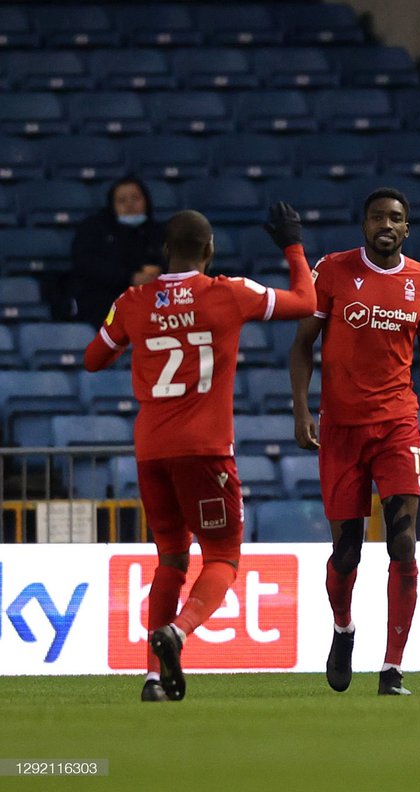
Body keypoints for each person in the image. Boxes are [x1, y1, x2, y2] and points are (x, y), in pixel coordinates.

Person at [83, 204, 316, 702]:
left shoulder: (132, 300)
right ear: (209, 251)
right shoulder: (229, 293)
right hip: (206, 453)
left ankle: (151, 678)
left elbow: (92, 359)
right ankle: (181, 631)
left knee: (169, 558)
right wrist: (292, 245)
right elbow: (304, 300)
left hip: (151, 454)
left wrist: (136, 321)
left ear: (165, 251)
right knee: (223, 556)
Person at [290, 188, 420, 697]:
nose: (387, 223)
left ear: (408, 228)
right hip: (341, 429)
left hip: (398, 425)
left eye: (397, 217)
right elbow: (302, 347)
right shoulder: (333, 271)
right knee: (347, 554)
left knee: (403, 544)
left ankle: (392, 668)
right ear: (363, 224)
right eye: (378, 216)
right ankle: (343, 630)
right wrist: (300, 411)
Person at [70, 176, 167, 326]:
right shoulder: (94, 230)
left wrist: (159, 273)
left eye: (135, 198)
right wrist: (130, 277)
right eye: (122, 200)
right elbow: (87, 264)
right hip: (105, 306)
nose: (130, 205)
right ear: (112, 205)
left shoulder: (160, 232)